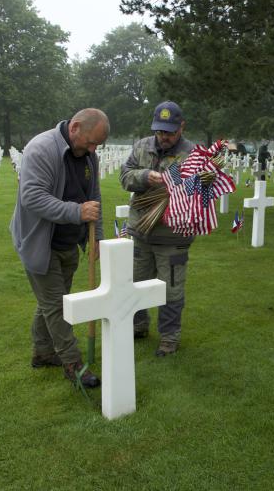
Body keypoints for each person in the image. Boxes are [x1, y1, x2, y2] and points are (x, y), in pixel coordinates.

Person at [10, 108, 109, 390]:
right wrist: (77, 212)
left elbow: (94, 198)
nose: (92, 150)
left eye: (97, 145)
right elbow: (32, 197)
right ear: (75, 127)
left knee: (53, 301)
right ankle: (73, 363)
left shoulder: (89, 156)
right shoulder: (41, 149)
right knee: (56, 306)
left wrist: (96, 237)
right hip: (40, 241)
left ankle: (43, 352)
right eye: (91, 142)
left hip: (69, 242)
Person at [120, 101, 195, 357]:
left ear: (181, 126)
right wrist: (143, 177)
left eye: (170, 132)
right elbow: (124, 176)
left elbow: (199, 195)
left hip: (174, 235)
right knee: (137, 282)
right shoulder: (142, 146)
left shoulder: (193, 154)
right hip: (141, 232)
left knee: (171, 289)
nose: (164, 137)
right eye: (160, 131)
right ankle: (138, 325)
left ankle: (169, 337)